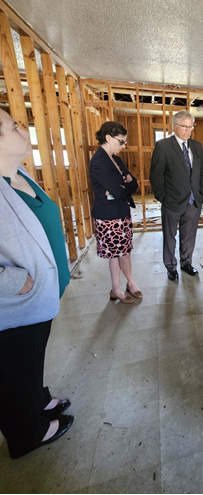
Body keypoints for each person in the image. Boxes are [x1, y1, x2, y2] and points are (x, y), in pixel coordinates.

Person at [0, 109, 73, 459]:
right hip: (16, 303)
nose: (22, 128)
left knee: (30, 360)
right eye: (12, 126)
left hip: (39, 295)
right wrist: (18, 282)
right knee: (13, 370)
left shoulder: (19, 173)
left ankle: (38, 401)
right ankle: (27, 433)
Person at [89, 121, 142, 303]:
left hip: (121, 211)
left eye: (124, 142)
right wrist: (123, 184)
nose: (123, 146)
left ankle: (131, 283)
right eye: (121, 141)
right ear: (108, 138)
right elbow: (120, 190)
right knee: (114, 254)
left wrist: (124, 184)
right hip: (108, 216)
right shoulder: (98, 162)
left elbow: (133, 183)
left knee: (125, 251)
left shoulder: (117, 160)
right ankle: (116, 289)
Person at [149, 111, 203, 281]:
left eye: (190, 127)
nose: (188, 130)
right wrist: (164, 198)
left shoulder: (197, 146)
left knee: (189, 235)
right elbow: (156, 176)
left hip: (193, 202)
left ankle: (186, 263)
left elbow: (201, 173)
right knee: (169, 236)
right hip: (172, 202)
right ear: (175, 126)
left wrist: (200, 195)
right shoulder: (163, 146)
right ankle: (171, 266)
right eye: (184, 127)